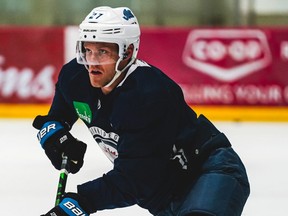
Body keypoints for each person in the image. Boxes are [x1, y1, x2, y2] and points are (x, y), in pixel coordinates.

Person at [33, 6, 250, 216]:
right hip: (162, 196)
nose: (92, 62)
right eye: (87, 50)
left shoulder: (148, 94)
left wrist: (81, 202)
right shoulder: (75, 77)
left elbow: (134, 180)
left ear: (127, 52)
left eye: (103, 52)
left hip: (208, 172)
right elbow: (59, 113)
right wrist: (54, 133)